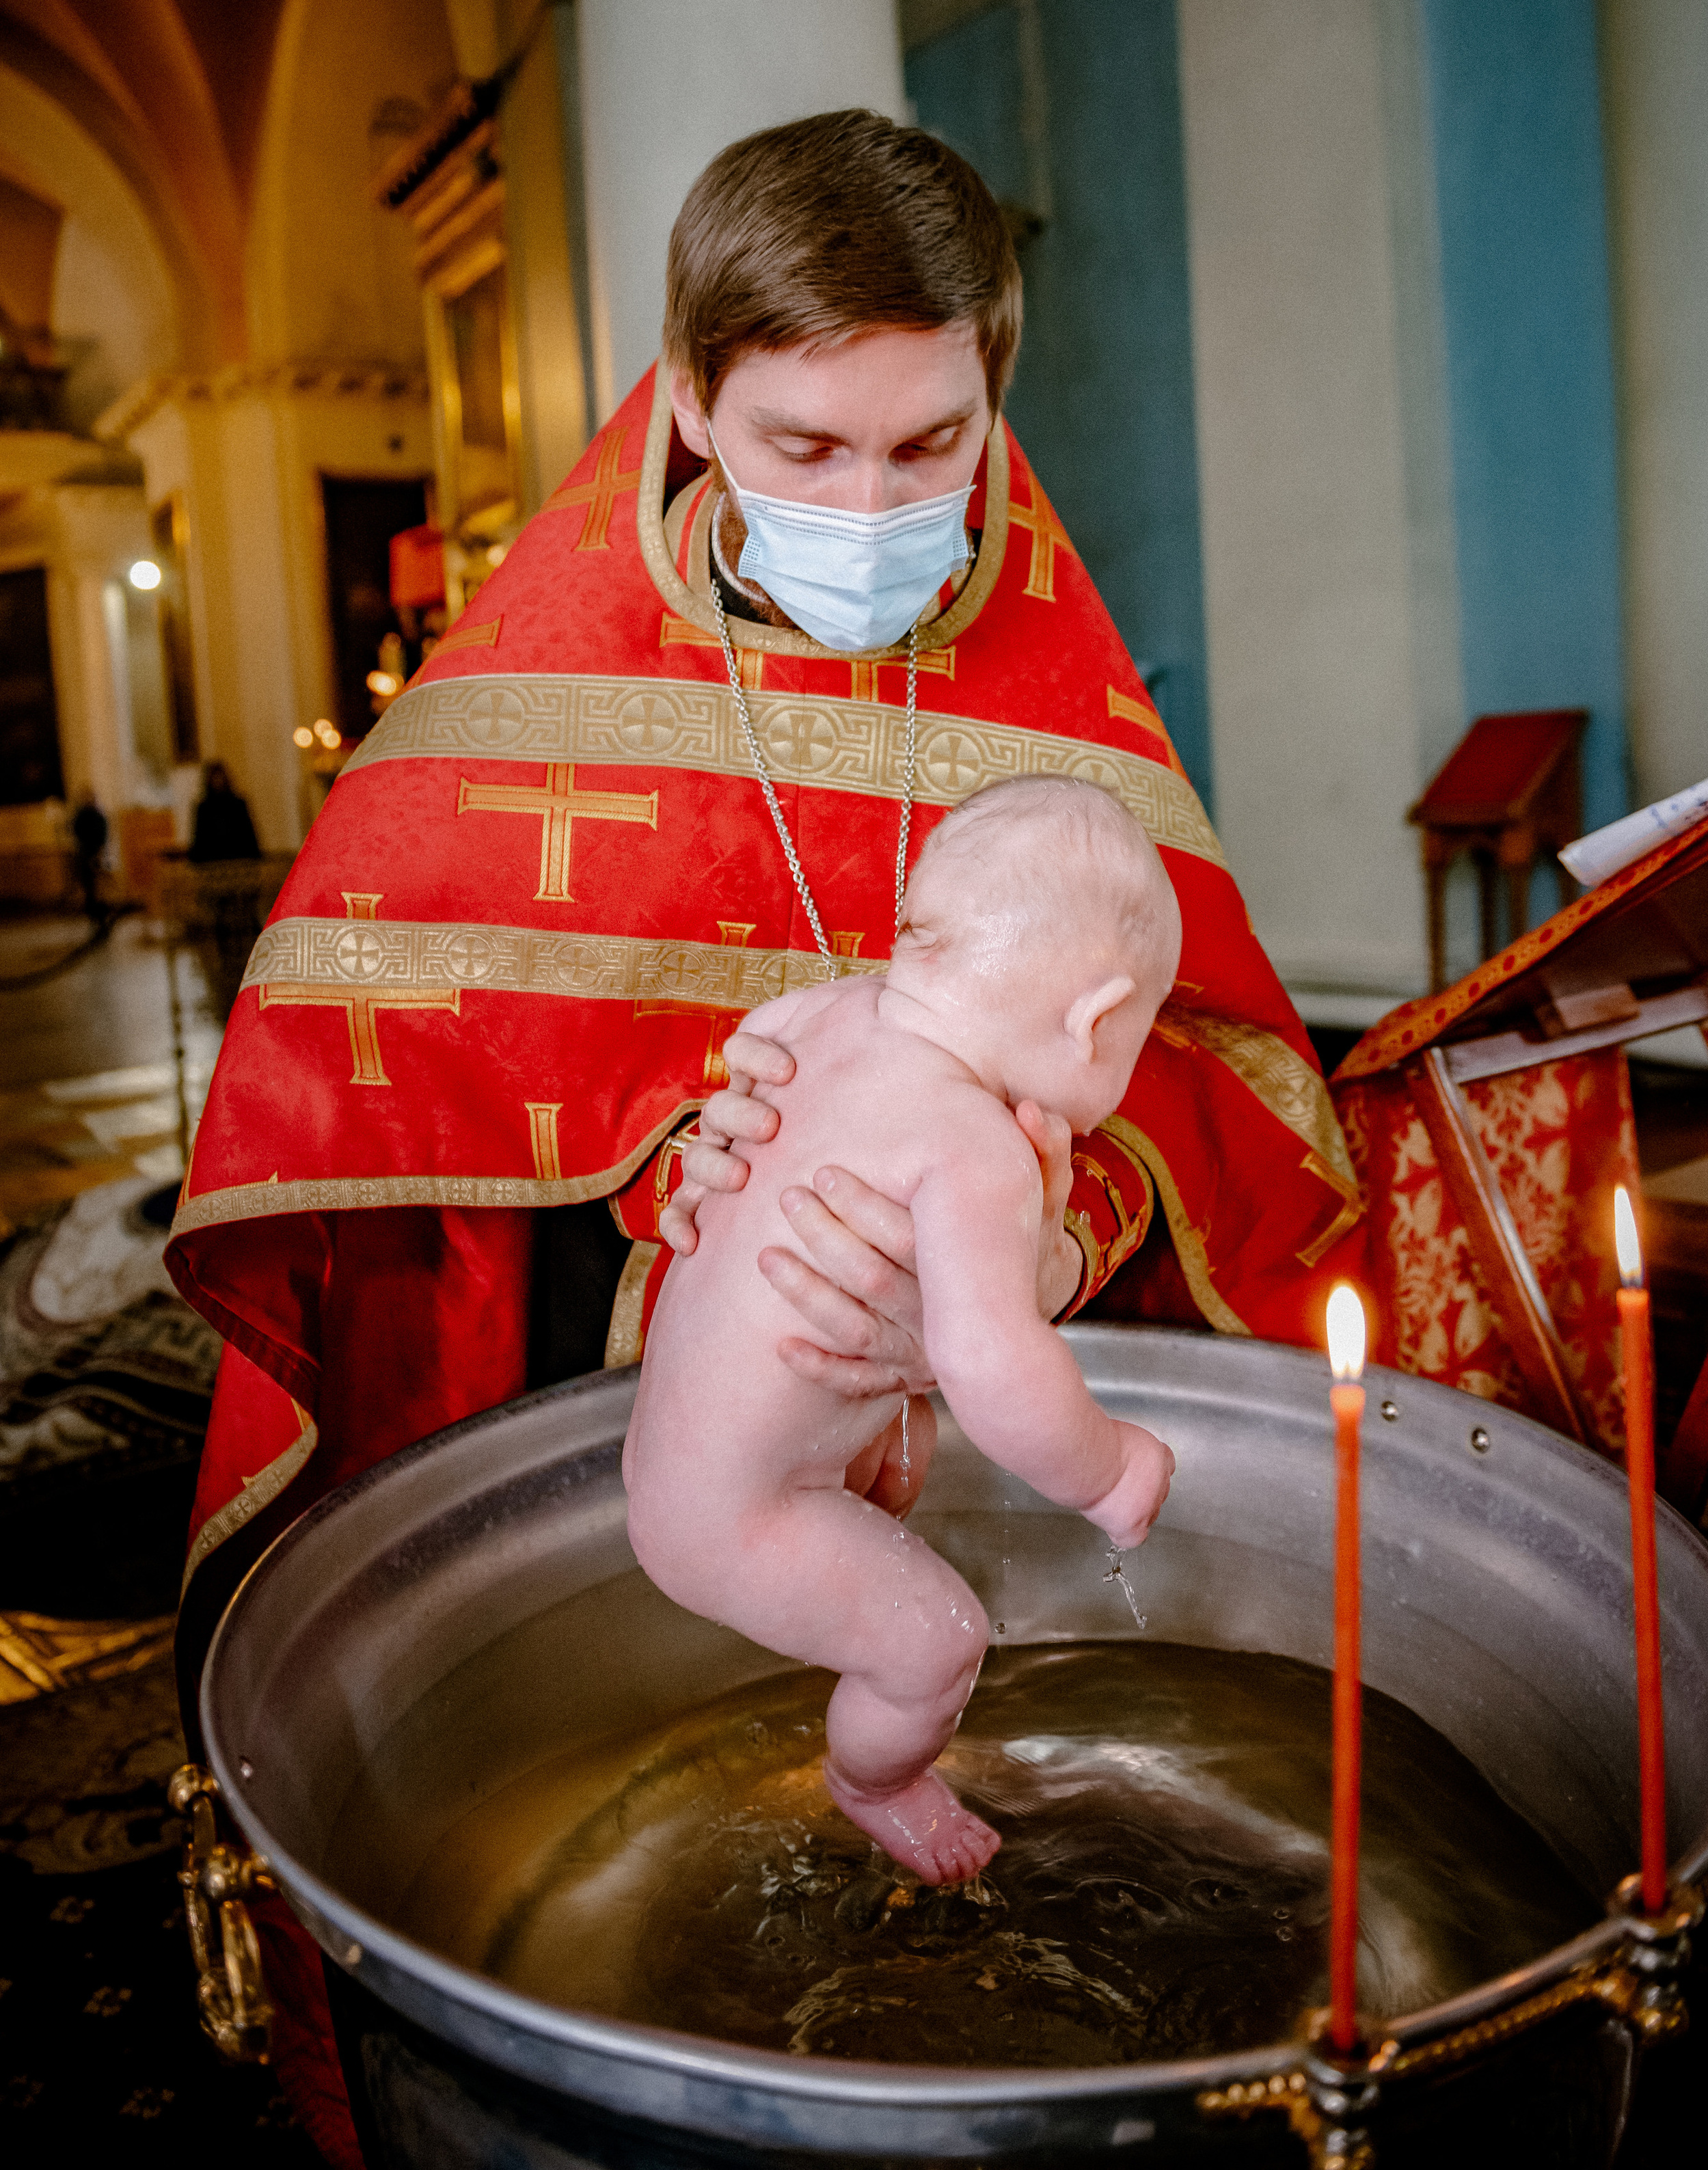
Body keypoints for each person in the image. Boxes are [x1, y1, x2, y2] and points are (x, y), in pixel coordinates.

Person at [165, 111, 1359, 2167]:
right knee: (587, 1897)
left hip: (941, 1390)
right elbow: (382, 1109)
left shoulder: (1038, 667)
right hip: (615, 1397)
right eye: (807, 447)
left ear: (993, 387)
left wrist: (1038, 1229)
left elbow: (1181, 1066)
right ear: (691, 397)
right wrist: (657, 1163)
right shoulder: (523, 701)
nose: (881, 507)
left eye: (935, 444)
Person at [625, 778, 1180, 1882]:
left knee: (900, 1450)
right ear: (1098, 1017)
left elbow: (750, 1054)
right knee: (938, 1641)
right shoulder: (974, 1142)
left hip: (661, 1446)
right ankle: (875, 1781)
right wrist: (1109, 1467)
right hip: (736, 1513)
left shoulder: (818, 1013)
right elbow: (989, 1363)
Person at [188, 761, 260, 863]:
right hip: (211, 861)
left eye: (220, 777)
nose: (218, 781)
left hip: (238, 859)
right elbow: (199, 838)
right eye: (214, 778)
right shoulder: (203, 808)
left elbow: (248, 833)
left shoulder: (238, 804)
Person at [68, 787, 107, 920]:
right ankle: (91, 906)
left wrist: (100, 851)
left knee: (98, 881)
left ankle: (99, 906)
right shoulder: (81, 815)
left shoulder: (98, 815)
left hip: (95, 850)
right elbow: (75, 831)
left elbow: (103, 834)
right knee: (87, 881)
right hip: (84, 851)